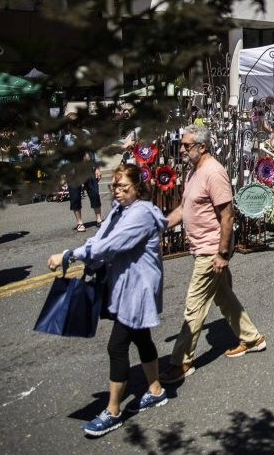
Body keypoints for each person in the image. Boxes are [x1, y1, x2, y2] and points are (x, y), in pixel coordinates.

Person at [47, 164, 168, 437]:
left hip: (137, 289)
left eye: (124, 187)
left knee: (117, 346)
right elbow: (100, 237)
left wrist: (69, 254)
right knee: (141, 337)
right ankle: (156, 390)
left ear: (138, 188)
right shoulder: (120, 209)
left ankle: (113, 411)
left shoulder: (141, 214)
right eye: (115, 187)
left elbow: (110, 245)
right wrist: (85, 251)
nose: (118, 192)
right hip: (125, 284)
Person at [161, 125, 265, 384]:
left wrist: (222, 253)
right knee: (224, 298)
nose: (182, 149)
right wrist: (156, 226)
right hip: (202, 249)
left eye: (186, 145)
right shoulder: (193, 172)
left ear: (202, 147)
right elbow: (183, 209)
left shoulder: (214, 172)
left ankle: (182, 361)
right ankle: (253, 338)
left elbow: (227, 216)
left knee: (194, 306)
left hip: (211, 251)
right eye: (182, 144)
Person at [62, 120, 104, 232]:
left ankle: (99, 219)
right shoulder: (65, 138)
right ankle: (79, 222)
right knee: (75, 197)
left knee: (94, 194)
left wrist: (97, 168)